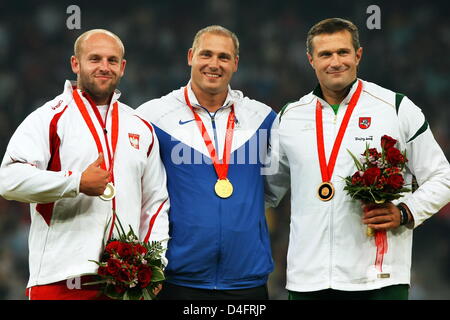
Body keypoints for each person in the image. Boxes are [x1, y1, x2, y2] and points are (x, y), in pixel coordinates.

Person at [265, 18, 450, 300]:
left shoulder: (396, 108)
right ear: (311, 60)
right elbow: (267, 191)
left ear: (358, 55)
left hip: (378, 279)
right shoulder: (290, 116)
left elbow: (442, 176)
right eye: (325, 54)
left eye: (343, 52)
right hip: (307, 280)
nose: (335, 61)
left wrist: (405, 211)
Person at [0, 29, 170, 300]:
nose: (104, 67)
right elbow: (9, 180)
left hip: (125, 281)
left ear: (123, 67)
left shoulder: (140, 127)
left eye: (112, 60)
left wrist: (154, 262)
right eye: (95, 59)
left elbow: (156, 203)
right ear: (75, 64)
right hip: (60, 278)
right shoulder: (49, 118)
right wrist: (76, 182)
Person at [136, 25, 276, 300]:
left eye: (224, 57)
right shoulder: (152, 117)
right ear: (190, 56)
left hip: (246, 281)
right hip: (176, 279)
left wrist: (246, 222)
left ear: (235, 63)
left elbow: (275, 185)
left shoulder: (263, 118)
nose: (214, 64)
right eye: (206, 54)